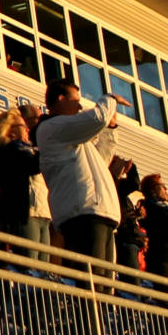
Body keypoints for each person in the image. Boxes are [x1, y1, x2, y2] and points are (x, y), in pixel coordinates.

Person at [35, 77, 122, 262]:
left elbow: (102, 159)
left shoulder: (74, 137)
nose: (80, 107)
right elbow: (98, 117)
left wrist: (111, 128)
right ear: (60, 99)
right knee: (91, 278)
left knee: (105, 284)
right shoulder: (50, 127)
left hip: (99, 212)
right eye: (76, 100)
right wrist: (109, 98)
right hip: (82, 213)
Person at [0, 105, 45, 243]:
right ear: (10, 130)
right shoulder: (9, 150)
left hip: (42, 212)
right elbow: (33, 165)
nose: (27, 129)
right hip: (25, 214)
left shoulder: (28, 148)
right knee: (30, 261)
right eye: (22, 125)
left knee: (43, 261)